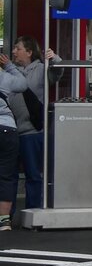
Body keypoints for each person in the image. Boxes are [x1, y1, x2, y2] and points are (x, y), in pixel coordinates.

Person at [4, 37, 47, 212]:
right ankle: (7, 214)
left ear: (29, 52)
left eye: (17, 48)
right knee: (9, 175)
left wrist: (56, 58)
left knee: (33, 174)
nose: (14, 51)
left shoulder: (40, 69)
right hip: (12, 131)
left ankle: (33, 212)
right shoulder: (11, 72)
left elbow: (55, 74)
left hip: (31, 132)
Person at [0, 54, 29, 231]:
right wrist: (9, 65)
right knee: (6, 175)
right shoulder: (5, 77)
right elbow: (23, 84)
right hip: (6, 129)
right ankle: (4, 221)